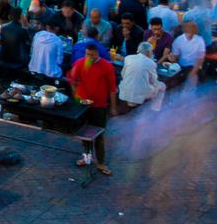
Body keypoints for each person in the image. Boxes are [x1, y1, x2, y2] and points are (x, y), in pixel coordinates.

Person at [66, 40, 116, 176]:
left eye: (92, 55)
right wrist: (77, 97)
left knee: (99, 135)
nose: (89, 57)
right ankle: (87, 158)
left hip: (99, 106)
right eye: (87, 54)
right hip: (83, 106)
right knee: (84, 134)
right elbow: (73, 81)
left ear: (97, 53)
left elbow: (112, 88)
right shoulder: (80, 63)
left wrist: (113, 107)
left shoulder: (107, 66)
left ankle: (101, 163)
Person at [119, 41, 166, 107]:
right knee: (162, 86)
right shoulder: (151, 63)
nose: (152, 53)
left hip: (124, 92)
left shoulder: (128, 58)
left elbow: (122, 74)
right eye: (151, 51)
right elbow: (154, 82)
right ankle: (154, 109)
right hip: (140, 95)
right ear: (148, 52)